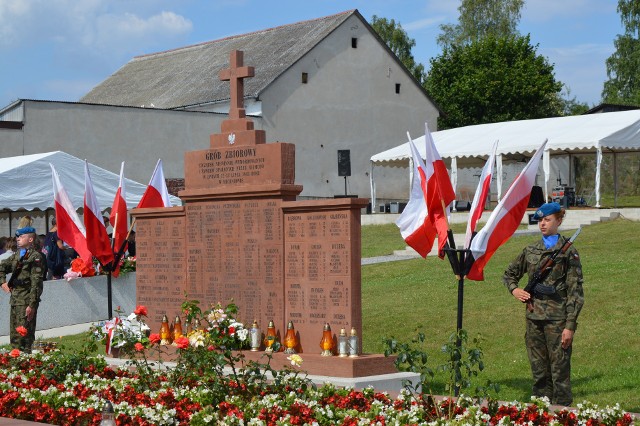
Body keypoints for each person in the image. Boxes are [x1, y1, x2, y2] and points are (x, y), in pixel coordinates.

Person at [503, 202, 584, 406]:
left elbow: (575, 291)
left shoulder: (568, 252)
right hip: (533, 319)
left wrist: (570, 326)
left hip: (558, 321)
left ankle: (563, 413)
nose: (542, 224)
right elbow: (509, 274)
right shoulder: (530, 250)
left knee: (560, 373)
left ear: (559, 220)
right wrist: (515, 289)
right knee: (539, 371)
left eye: (547, 220)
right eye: (539, 220)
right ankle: (539, 413)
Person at [0, 226, 45, 352]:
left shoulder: (35, 257)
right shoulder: (16, 256)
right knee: (14, 334)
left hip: (26, 300)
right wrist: (2, 282)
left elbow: (36, 283)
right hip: (15, 299)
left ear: (30, 239)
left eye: (21, 237)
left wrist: (32, 304)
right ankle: (15, 358)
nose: (18, 239)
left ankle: (26, 360)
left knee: (24, 334)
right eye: (17, 237)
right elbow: (1, 267)